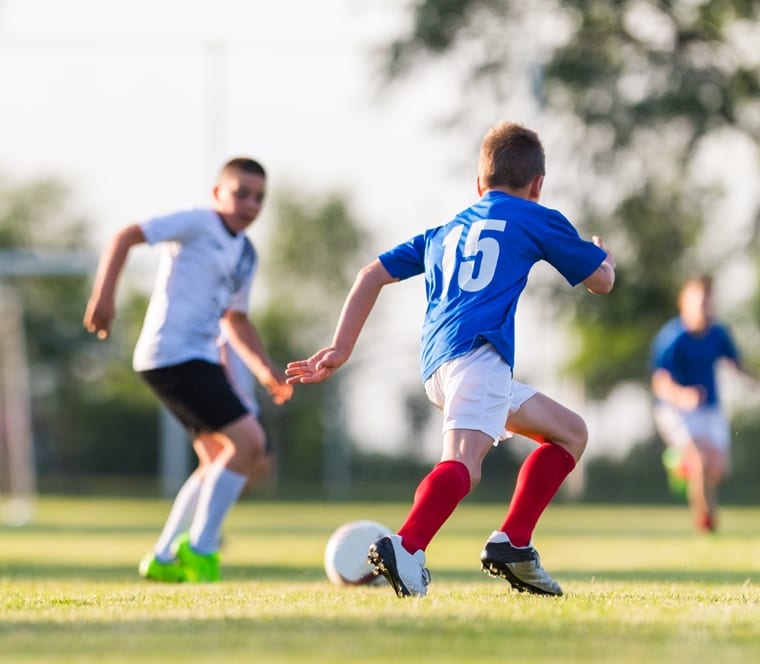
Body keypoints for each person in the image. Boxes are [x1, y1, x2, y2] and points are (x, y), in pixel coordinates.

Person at [286, 121, 615, 598]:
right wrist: (602, 257)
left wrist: (340, 348)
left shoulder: (448, 229)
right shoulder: (535, 216)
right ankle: (407, 544)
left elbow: (370, 273)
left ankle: (514, 546)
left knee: (569, 432)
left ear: (478, 183)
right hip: (478, 356)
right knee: (464, 462)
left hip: (439, 366)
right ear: (538, 184)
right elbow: (601, 282)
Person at [83, 157, 293, 582]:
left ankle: (163, 557)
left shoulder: (246, 254)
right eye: (241, 193)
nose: (250, 204)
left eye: (259, 198)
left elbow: (235, 320)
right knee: (250, 443)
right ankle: (200, 550)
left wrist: (265, 371)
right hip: (172, 354)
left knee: (216, 458)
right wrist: (104, 297)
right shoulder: (198, 223)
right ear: (218, 193)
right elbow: (126, 236)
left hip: (197, 357)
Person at [649, 275, 754, 533]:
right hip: (676, 409)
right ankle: (707, 524)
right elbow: (660, 382)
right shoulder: (673, 337)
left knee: (719, 469)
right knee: (700, 463)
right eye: (700, 304)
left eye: (709, 304)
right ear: (685, 304)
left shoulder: (718, 333)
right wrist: (683, 396)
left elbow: (736, 365)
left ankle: (680, 465)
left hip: (710, 407)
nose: (705, 309)